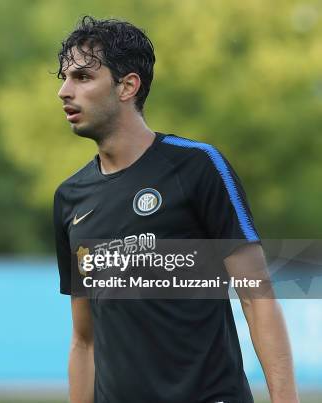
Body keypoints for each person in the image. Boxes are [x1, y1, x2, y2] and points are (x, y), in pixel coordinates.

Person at [53, 16, 299, 403]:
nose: (65, 91)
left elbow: (257, 297)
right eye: (64, 79)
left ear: (127, 86)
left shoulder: (198, 166)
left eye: (82, 77)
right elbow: (84, 342)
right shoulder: (70, 197)